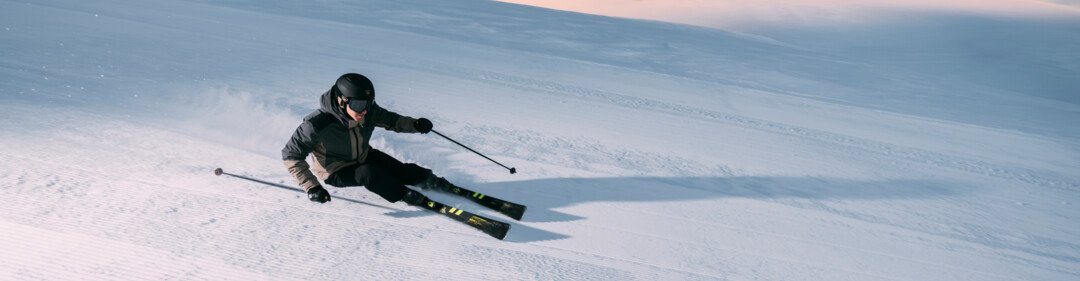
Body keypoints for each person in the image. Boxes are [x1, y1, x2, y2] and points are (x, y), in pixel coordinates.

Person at [282, 73, 455, 205]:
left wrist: (416, 124)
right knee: (370, 174)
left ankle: (430, 181)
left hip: (363, 156)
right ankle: (404, 194)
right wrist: (311, 186)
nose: (364, 110)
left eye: (368, 103)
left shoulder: (367, 112)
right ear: (341, 101)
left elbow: (392, 121)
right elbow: (291, 155)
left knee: (401, 170)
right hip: (336, 171)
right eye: (358, 105)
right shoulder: (317, 125)